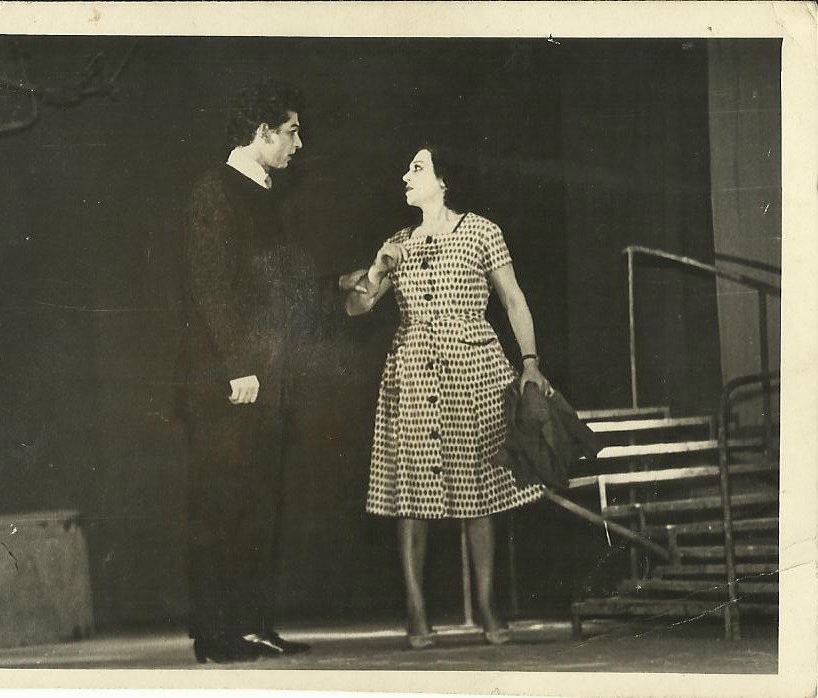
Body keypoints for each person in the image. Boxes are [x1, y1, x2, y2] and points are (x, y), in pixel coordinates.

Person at [341, 142, 553, 649]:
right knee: (412, 493)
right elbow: (356, 308)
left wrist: (529, 362)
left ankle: (487, 607)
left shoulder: (482, 231)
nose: (406, 175)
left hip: (474, 369)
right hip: (412, 373)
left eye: (417, 168)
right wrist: (377, 270)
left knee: (479, 490)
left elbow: (513, 299)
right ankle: (416, 612)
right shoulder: (398, 242)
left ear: (444, 180)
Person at [177, 78, 313, 664]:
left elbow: (274, 287)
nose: (298, 144)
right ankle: (213, 633)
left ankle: (253, 624)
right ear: (262, 132)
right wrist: (238, 367)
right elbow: (209, 287)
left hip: (264, 383)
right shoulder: (215, 191)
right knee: (220, 506)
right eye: (291, 132)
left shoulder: (261, 193)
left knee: (258, 507)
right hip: (227, 383)